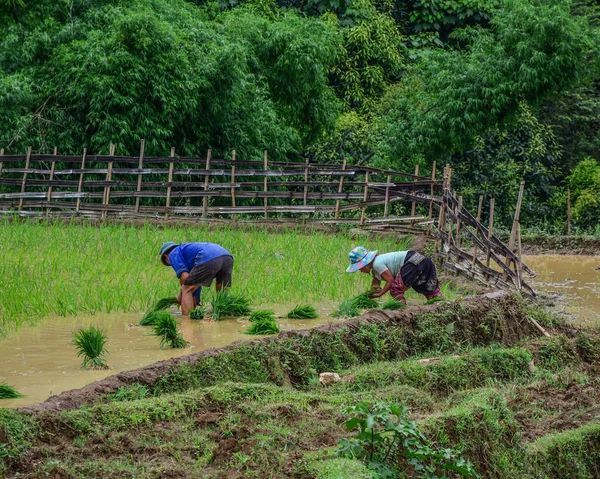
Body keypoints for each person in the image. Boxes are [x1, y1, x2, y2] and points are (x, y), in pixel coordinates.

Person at [346, 246, 442, 304]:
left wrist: (381, 293)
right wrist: (369, 294)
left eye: (359, 268)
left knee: (395, 289)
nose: (360, 271)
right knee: (426, 287)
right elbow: (375, 283)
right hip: (422, 259)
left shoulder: (377, 264)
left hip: (411, 261)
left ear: (365, 265)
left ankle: (402, 311)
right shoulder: (375, 269)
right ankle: (440, 304)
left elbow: (390, 281)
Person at [159, 241, 234, 316]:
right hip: (227, 257)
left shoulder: (173, 254)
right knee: (221, 288)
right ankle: (222, 313)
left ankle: (187, 322)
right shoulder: (188, 253)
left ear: (166, 257)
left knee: (186, 289)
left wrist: (181, 296)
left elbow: (185, 277)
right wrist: (195, 301)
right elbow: (195, 283)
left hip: (208, 256)